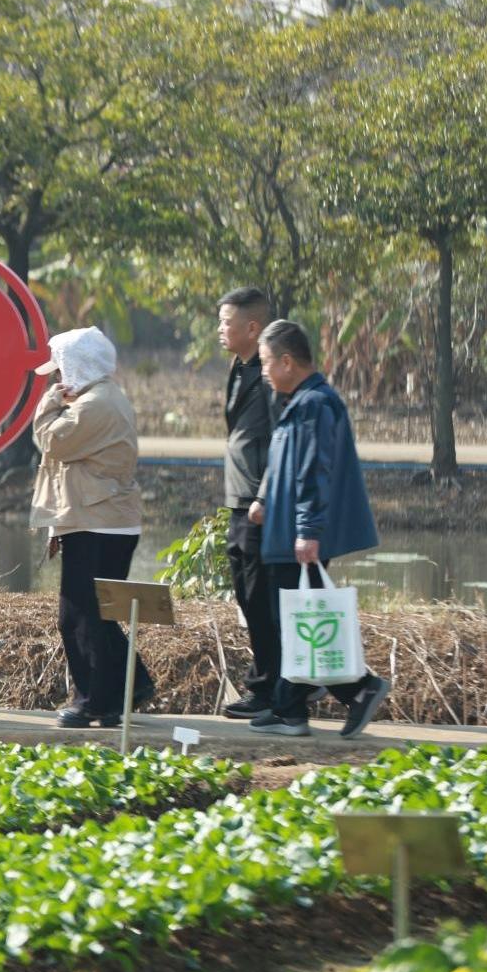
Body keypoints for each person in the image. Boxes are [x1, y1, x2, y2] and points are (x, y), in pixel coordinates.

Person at [247, 319, 392, 738]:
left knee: (302, 622)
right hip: (281, 533)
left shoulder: (316, 404)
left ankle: (354, 690)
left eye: (266, 362)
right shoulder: (299, 402)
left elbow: (315, 471)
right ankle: (288, 704)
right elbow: (282, 465)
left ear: (288, 361)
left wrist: (308, 529)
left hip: (297, 538)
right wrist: (263, 500)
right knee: (293, 622)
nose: (263, 371)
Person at [28, 326, 154, 729]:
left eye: (60, 370)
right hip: (101, 518)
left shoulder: (95, 405)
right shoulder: (100, 398)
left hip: (98, 521)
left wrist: (49, 401)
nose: (57, 379)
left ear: (77, 366)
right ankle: (128, 689)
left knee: (77, 616)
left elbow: (53, 442)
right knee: (98, 613)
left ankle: (93, 701)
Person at [215, 288, 282, 719]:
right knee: (247, 595)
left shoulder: (271, 373)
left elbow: (281, 439)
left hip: (259, 503)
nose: (219, 330)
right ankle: (265, 685)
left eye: (226, 322)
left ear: (252, 327)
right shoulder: (239, 369)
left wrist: (264, 494)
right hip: (239, 502)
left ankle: (271, 690)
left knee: (261, 597)